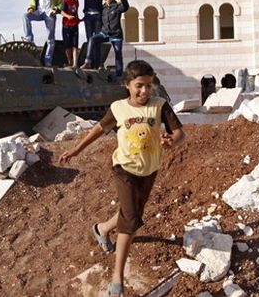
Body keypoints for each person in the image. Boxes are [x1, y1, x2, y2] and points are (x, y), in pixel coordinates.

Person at [58, 60, 185, 297]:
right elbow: (98, 129)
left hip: (149, 171)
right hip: (124, 169)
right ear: (128, 85)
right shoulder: (118, 108)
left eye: (149, 85)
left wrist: (172, 141)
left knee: (132, 211)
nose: (145, 91)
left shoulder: (160, 105)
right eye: (139, 85)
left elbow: (179, 132)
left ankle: (101, 229)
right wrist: (76, 150)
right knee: (131, 220)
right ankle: (117, 279)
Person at [82, 0, 129, 77]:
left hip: (116, 34)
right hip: (105, 33)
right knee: (93, 39)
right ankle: (88, 61)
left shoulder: (117, 6)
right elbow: (93, 10)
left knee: (118, 53)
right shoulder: (102, 8)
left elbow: (125, 7)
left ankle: (119, 75)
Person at [22, 0, 63, 67]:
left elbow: (62, 2)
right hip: (38, 12)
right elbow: (32, 1)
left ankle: (47, 61)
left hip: (49, 13)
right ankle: (29, 39)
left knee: (50, 39)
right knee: (25, 16)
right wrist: (31, 8)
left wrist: (56, 9)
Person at [61, 0, 81, 67]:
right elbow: (61, 12)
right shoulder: (65, 1)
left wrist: (78, 19)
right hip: (66, 26)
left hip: (75, 25)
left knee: (75, 45)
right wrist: (68, 16)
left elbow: (75, 12)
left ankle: (75, 63)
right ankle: (70, 61)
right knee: (67, 45)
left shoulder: (76, 1)